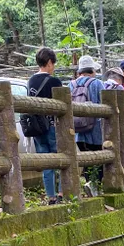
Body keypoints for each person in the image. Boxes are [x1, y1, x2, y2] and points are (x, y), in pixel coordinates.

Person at [26, 47, 62, 204]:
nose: (53, 67)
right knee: (62, 159)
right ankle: (62, 192)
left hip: (37, 127)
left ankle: (51, 196)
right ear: (49, 62)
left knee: (46, 161)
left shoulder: (31, 81)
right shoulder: (54, 81)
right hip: (52, 125)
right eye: (53, 63)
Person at [70, 55, 104, 190]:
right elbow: (105, 105)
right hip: (96, 131)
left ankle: (90, 183)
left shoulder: (71, 84)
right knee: (99, 159)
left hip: (78, 130)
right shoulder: (97, 83)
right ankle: (95, 186)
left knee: (86, 160)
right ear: (92, 70)